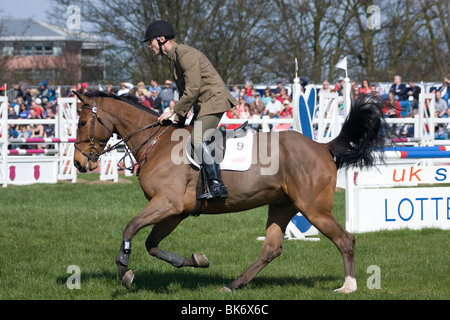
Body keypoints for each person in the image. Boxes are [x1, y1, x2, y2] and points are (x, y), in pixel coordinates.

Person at [144, 20, 237, 199]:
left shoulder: (184, 54)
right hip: (202, 104)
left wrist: (172, 111)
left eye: (150, 41)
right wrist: (178, 120)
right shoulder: (173, 59)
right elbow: (183, 91)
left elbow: (192, 89)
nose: (149, 46)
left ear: (161, 39)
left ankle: (217, 186)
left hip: (214, 101)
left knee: (197, 138)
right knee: (186, 136)